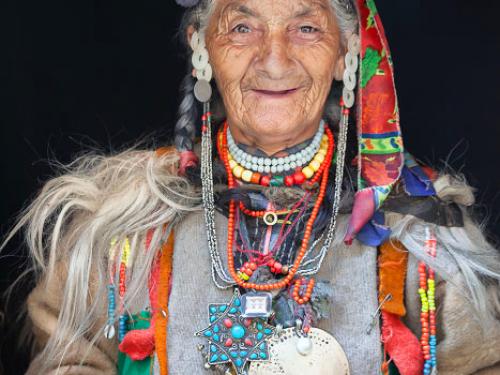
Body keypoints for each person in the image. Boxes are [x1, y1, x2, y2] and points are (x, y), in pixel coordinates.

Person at [6, 0, 500, 374]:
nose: (274, 60)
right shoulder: (126, 225)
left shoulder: (415, 226)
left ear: (345, 55)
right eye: (242, 28)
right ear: (202, 49)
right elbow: (69, 357)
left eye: (306, 29)